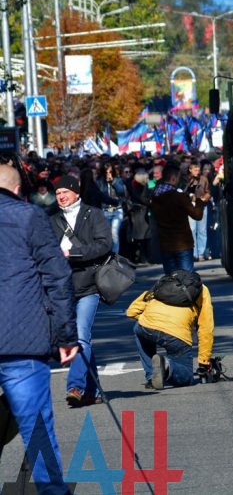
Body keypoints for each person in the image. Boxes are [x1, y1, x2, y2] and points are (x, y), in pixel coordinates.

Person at [0, 164, 79, 494]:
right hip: (23, 340)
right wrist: (66, 336)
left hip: (21, 340)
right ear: (18, 190)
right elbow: (58, 278)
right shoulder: (29, 217)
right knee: (37, 431)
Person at [49, 176, 113, 408]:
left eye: (65, 192)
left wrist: (74, 254)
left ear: (77, 192)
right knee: (82, 339)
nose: (61, 196)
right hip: (62, 288)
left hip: (88, 285)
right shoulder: (51, 218)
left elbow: (104, 243)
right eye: (57, 193)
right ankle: (93, 391)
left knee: (81, 336)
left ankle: (74, 386)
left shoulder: (92, 214)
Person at [126, 271, 214, 389]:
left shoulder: (165, 284)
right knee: (186, 377)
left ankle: (152, 375)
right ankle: (166, 366)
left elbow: (131, 311)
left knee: (139, 329)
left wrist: (151, 321)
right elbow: (206, 327)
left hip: (146, 327)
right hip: (176, 336)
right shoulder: (202, 291)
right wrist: (204, 361)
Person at [150, 163, 211, 274]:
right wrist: (198, 200)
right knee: (186, 280)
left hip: (165, 245)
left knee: (171, 281)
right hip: (182, 244)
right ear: (173, 178)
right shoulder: (178, 197)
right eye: (178, 178)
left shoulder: (155, 198)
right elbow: (197, 215)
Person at [96, 161, 128, 255]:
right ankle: (108, 255)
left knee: (114, 232)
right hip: (105, 210)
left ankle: (115, 256)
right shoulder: (99, 182)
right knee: (107, 235)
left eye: (110, 172)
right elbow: (101, 195)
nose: (108, 174)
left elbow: (121, 191)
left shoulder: (117, 180)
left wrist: (113, 182)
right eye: (106, 172)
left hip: (117, 210)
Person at [181, 160, 210, 262]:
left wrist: (204, 198)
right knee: (192, 229)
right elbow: (183, 192)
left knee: (202, 230)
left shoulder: (204, 179)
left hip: (202, 205)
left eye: (198, 169)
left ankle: (201, 254)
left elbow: (208, 192)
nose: (197, 171)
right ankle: (193, 253)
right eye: (195, 169)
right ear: (190, 170)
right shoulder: (186, 180)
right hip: (191, 205)